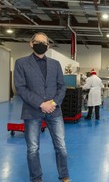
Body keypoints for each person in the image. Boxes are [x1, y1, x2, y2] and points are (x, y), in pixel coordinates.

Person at [14, 32, 70, 182]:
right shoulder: (21, 63)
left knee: (61, 147)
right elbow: (21, 88)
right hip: (32, 111)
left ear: (48, 45)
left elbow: (62, 87)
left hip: (54, 111)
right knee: (33, 149)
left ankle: (64, 176)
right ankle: (36, 178)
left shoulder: (55, 64)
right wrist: (40, 104)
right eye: (38, 42)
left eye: (44, 43)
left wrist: (53, 103)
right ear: (31, 43)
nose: (41, 45)